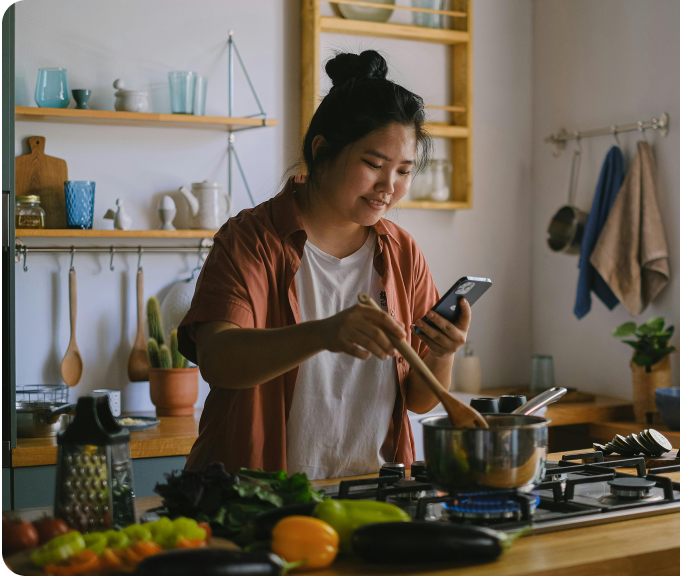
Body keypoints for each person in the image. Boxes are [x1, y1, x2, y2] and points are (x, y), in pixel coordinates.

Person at [176, 50, 472, 479]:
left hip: (372, 493)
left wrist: (442, 356)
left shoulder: (402, 252)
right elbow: (218, 360)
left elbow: (420, 400)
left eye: (404, 171)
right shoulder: (251, 240)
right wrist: (326, 332)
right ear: (322, 151)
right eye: (373, 164)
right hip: (258, 498)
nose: (389, 187)